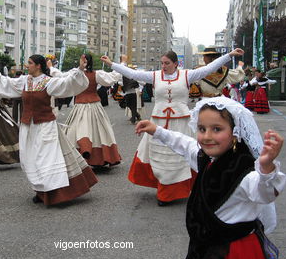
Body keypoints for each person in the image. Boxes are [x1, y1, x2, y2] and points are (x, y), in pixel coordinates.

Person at [135, 96, 286, 259]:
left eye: (216, 129)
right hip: (206, 246)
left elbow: (265, 193)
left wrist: (266, 168)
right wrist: (157, 130)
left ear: (235, 132)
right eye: (201, 128)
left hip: (235, 252)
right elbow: (184, 144)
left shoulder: (244, 170)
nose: (207, 136)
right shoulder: (207, 158)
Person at [101, 48, 244, 206]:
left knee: (182, 154)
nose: (163, 66)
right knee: (159, 155)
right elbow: (132, 74)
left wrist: (229, 55)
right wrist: (112, 64)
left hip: (181, 122)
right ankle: (164, 188)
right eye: (162, 63)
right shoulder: (155, 76)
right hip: (158, 122)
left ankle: (176, 190)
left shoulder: (187, 75)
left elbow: (208, 69)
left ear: (176, 64)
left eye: (167, 63)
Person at [0, 54, 98, 205]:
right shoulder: (25, 81)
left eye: (29, 63)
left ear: (38, 66)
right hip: (28, 127)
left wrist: (79, 70)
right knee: (31, 158)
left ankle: (52, 192)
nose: (26, 65)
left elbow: (68, 84)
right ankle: (40, 190)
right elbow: (5, 83)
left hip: (45, 126)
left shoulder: (48, 82)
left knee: (46, 159)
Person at [63, 54, 122, 169]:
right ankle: (98, 156)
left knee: (76, 130)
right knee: (99, 131)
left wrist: (50, 68)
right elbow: (113, 78)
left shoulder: (74, 73)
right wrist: (121, 64)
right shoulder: (96, 74)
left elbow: (60, 77)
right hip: (94, 105)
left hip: (80, 106)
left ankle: (78, 156)